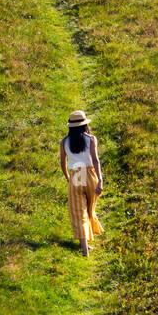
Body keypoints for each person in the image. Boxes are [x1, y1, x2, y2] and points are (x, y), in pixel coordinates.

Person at [59, 110, 103, 257]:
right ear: (84, 125)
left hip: (76, 175)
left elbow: (62, 163)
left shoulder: (64, 142)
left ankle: (85, 249)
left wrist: (68, 178)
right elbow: (95, 160)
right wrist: (100, 180)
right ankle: (87, 243)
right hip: (90, 174)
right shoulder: (91, 139)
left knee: (79, 212)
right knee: (90, 209)